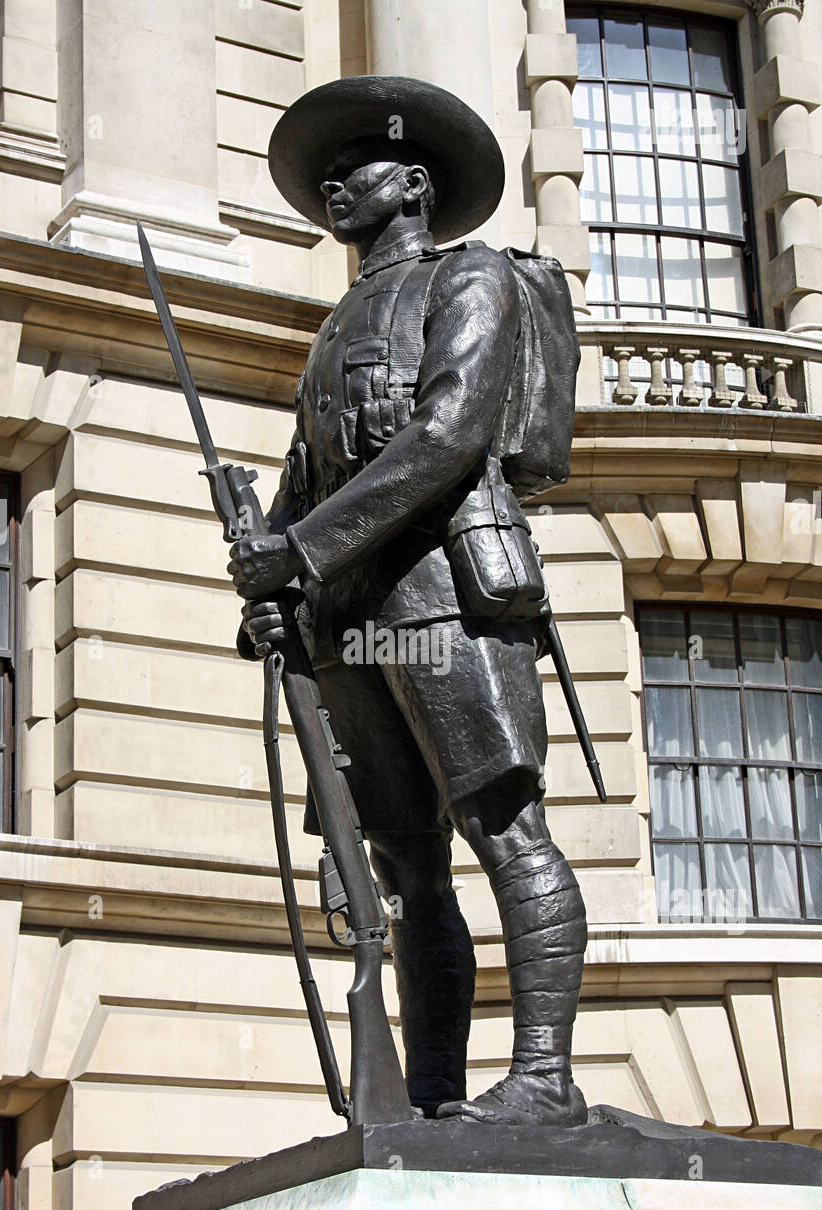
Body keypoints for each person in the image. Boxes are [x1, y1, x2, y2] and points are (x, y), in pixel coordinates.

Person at [227, 76, 587, 1126]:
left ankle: (542, 1080)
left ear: (414, 183)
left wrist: (298, 547)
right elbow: (312, 469)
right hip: (348, 618)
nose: (334, 186)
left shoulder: (467, 278)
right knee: (404, 863)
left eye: (357, 169)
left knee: (500, 822)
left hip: (445, 596)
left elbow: (447, 436)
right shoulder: (337, 320)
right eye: (327, 176)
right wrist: (272, 591)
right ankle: (428, 1092)